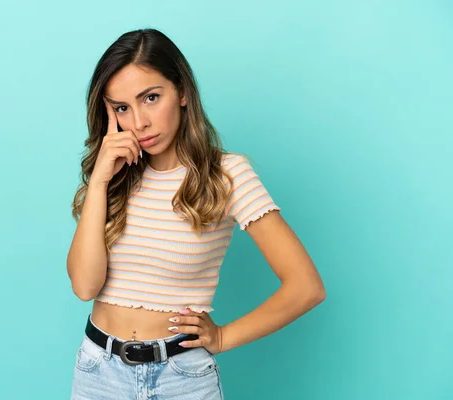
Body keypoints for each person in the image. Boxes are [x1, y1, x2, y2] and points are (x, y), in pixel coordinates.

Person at [66, 28, 325, 400]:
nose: (138, 122)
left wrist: (222, 337)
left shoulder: (227, 175)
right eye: (122, 108)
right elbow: (85, 287)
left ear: (183, 92)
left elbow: (306, 287)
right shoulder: (113, 179)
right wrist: (99, 182)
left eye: (151, 97)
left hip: (181, 379)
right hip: (98, 373)